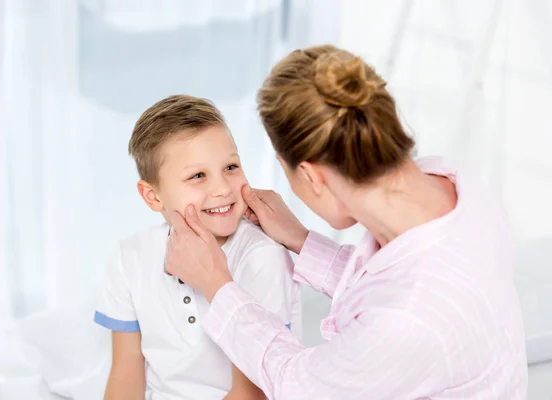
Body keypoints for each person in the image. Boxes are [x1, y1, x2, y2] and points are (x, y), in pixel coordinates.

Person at [164, 45, 528, 399]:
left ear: (312, 175)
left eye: (284, 169)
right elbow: (389, 284)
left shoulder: (409, 319)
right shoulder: (448, 183)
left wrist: (218, 285)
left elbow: (297, 386)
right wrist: (302, 241)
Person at [93, 95, 301, 400]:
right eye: (198, 176)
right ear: (153, 197)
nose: (222, 189)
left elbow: (251, 393)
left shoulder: (261, 257)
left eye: (231, 166)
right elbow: (126, 374)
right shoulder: (130, 256)